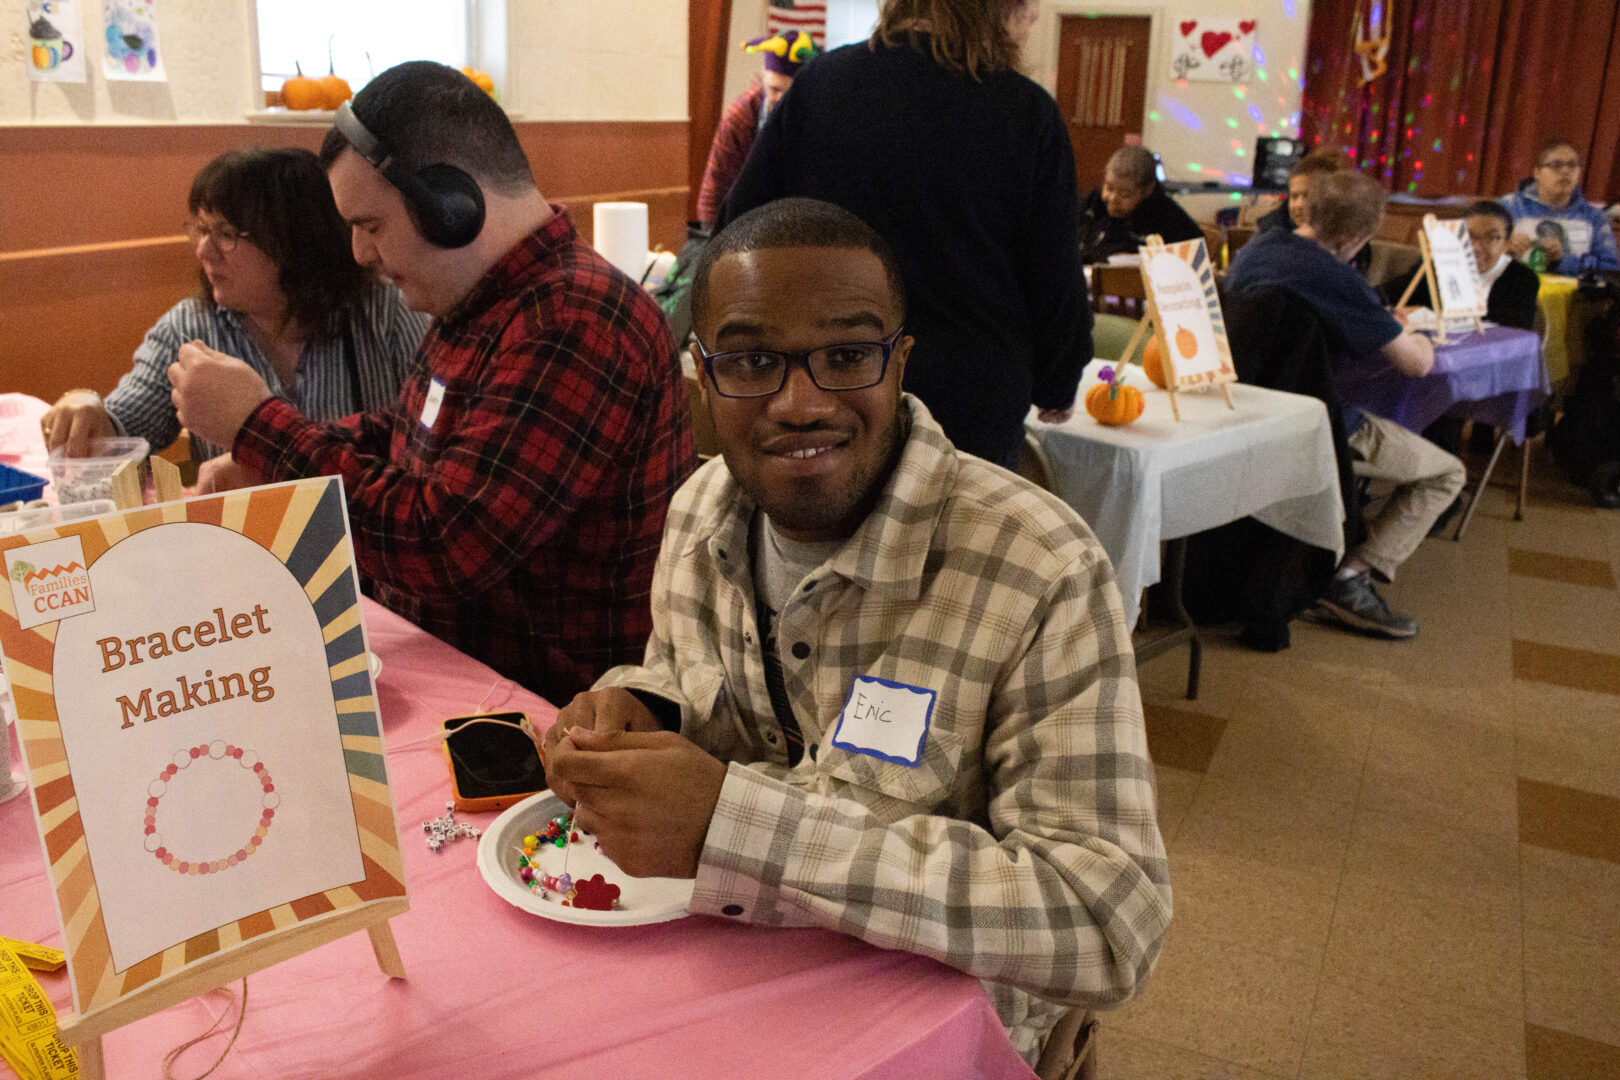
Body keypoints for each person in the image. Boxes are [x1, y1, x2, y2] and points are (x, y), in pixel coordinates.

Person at [541, 198, 1171, 1070]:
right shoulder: (698, 510)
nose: (800, 404)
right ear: (703, 372)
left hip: (934, 1042)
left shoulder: (1041, 566)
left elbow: (1108, 924)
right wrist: (642, 709)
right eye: (753, 361)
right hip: (718, 985)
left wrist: (735, 823)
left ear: (900, 362)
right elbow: (684, 675)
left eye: (846, 357)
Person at [168, 61, 695, 704]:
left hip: (545, 714)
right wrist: (263, 457)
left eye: (371, 225)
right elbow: (407, 432)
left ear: (451, 204)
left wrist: (260, 426)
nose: (360, 253)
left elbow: (444, 544)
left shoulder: (574, 321)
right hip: (457, 672)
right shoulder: (480, 299)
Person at [719, 0, 1092, 470]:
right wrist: (1058, 379)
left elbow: (739, 231)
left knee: (831, 541)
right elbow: (1054, 276)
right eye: (1028, 8)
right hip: (969, 396)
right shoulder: (1025, 111)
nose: (1034, 18)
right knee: (957, 544)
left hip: (833, 379)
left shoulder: (821, 85)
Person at [40, 148, 427, 483]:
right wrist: (85, 405)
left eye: (225, 234)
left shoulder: (383, 312)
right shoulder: (191, 328)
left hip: (364, 546)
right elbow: (124, 429)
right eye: (201, 230)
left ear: (295, 240)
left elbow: (427, 445)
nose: (204, 251)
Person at [1225, 171, 1465, 639]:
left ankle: (1328, 547)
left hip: (1245, 413)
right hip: (1320, 425)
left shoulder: (1258, 249)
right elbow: (1415, 365)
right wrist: (1415, 332)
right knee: (1446, 474)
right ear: (1355, 238)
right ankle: (1348, 578)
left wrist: (1373, 318)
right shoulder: (1336, 277)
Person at [695, 29, 818, 231]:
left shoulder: (816, 116)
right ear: (764, 82)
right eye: (775, 90)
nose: (781, 100)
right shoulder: (740, 118)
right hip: (742, 223)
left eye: (790, 93)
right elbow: (713, 192)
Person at [1381, 200, 1540, 330]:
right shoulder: (1439, 266)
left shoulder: (1523, 279)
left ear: (1507, 244)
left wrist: (1425, 315)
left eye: (1491, 238)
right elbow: (1386, 295)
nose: (1477, 247)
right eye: (1470, 236)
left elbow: (1508, 326)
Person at [1501, 139, 1620, 274]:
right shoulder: (1510, 206)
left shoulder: (1594, 218)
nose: (1565, 171)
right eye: (1556, 165)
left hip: (1574, 294)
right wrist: (1505, 250)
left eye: (1572, 165)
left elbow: (1609, 271)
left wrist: (1563, 261)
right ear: (1537, 172)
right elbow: (1477, 257)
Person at [1077, 144, 1203, 263]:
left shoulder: (1170, 220)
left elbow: (1196, 261)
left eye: (1125, 194)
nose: (1112, 198)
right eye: (1109, 188)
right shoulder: (1093, 204)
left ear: (1147, 192)